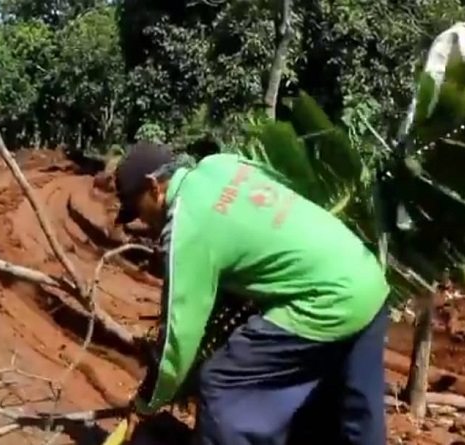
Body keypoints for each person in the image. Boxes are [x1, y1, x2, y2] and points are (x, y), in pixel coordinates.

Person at [113, 142, 390, 445]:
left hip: (323, 302)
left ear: (155, 187)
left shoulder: (186, 224)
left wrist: (146, 402)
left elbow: (178, 340)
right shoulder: (222, 164)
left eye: (137, 209)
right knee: (345, 413)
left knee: (222, 385)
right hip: (364, 274)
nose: (141, 221)